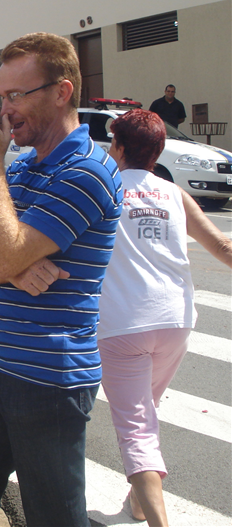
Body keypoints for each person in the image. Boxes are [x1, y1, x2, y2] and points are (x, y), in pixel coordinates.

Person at [0, 32, 123, 527]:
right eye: (0, 97)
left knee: (54, 518)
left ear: (62, 92)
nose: (4, 110)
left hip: (50, 380)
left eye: (16, 96)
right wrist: (14, 265)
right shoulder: (20, 170)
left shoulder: (87, 171)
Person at [98, 109, 232, 527]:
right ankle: (138, 504)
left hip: (122, 324)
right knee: (145, 413)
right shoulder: (173, 193)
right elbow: (224, 248)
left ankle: (158, 520)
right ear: (158, 151)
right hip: (176, 320)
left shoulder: (105, 187)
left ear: (117, 146)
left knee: (135, 427)